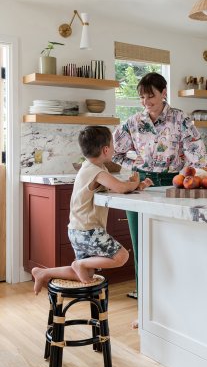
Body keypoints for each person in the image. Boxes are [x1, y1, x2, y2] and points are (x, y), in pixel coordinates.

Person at [112, 72, 207, 303]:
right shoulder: (133, 122)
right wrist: (136, 163)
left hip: (176, 183)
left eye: (150, 96)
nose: (146, 102)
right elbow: (115, 151)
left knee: (176, 239)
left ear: (164, 93)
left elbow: (197, 155)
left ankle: (177, 295)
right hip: (141, 183)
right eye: (142, 97)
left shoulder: (180, 119)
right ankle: (145, 295)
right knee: (141, 239)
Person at [32, 126, 153, 295]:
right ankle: (80, 264)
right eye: (112, 145)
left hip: (76, 230)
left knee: (85, 273)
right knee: (122, 256)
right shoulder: (96, 171)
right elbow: (119, 187)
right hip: (88, 231)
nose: (114, 149)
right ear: (105, 150)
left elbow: (111, 188)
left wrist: (139, 186)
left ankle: (43, 273)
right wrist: (133, 181)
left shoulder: (89, 167)